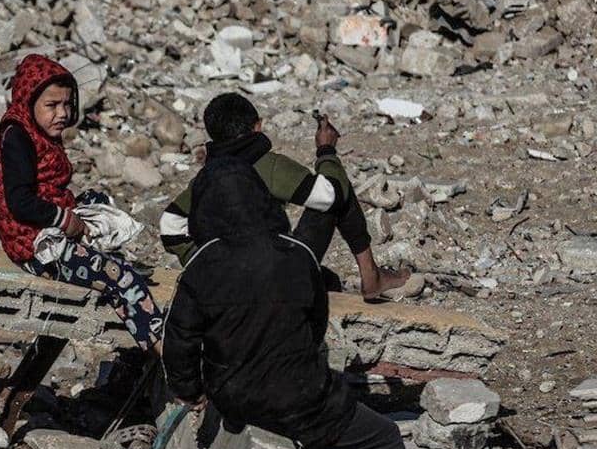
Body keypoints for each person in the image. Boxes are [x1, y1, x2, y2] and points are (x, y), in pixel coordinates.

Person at [161, 155, 467, 449]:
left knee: (290, 415)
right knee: (382, 437)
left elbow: (180, 341)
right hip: (302, 398)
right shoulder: (297, 255)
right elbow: (315, 327)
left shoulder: (200, 267)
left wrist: (190, 391)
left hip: (236, 399)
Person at [159, 92, 416, 303]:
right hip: (272, 279)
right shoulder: (267, 165)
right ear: (257, 127)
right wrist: (326, 150)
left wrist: (204, 264)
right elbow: (330, 196)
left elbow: (169, 223)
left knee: (328, 280)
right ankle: (371, 275)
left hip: (226, 282)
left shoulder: (207, 176)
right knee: (338, 187)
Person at [0, 53, 163, 353]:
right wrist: (64, 219)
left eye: (67, 104)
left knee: (97, 200)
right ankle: (164, 352)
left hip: (40, 224)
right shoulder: (18, 137)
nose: (63, 113)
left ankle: (90, 254)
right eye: (52, 105)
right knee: (121, 277)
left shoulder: (35, 131)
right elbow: (19, 202)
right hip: (31, 246)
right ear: (28, 102)